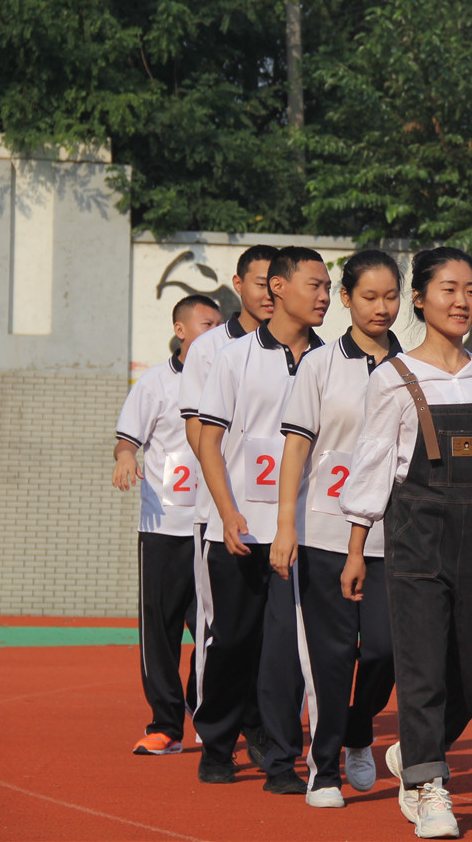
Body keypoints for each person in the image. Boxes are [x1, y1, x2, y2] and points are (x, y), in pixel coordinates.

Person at [341, 246, 472, 839]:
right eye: (448, 289)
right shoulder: (393, 378)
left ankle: (414, 752)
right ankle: (430, 788)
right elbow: (371, 466)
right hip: (415, 532)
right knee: (421, 664)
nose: (461, 301)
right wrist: (354, 547)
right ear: (419, 299)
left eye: (470, 290)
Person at [193, 246, 330, 793]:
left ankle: (280, 756)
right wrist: (228, 514)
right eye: (314, 285)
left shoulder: (329, 360)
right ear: (278, 288)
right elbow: (208, 442)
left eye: (327, 286)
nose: (324, 295)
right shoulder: (235, 356)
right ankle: (218, 742)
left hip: (298, 531)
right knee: (231, 639)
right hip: (238, 527)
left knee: (286, 649)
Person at [272, 250, 404, 808]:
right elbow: (297, 447)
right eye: (369, 297)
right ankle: (324, 769)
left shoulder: (414, 366)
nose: (381, 308)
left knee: (385, 649)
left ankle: (357, 728)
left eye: (391, 297)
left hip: (395, 539)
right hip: (324, 532)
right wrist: (284, 528)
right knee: (330, 654)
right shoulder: (320, 366)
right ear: (346, 298)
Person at [177, 243, 278, 764]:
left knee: (273, 636)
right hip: (223, 512)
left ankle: (260, 728)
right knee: (228, 634)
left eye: (276, 282)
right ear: (238, 285)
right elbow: (200, 432)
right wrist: (230, 498)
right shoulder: (213, 349)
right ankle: (216, 736)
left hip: (284, 521)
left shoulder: (308, 351)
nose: (269, 292)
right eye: (260, 282)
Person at [113, 294, 223, 755]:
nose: (216, 333)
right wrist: (124, 459)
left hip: (212, 527)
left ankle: (207, 708)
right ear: (181, 331)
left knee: (217, 630)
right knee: (158, 631)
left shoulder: (228, 378)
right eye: (206, 324)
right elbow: (127, 439)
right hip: (163, 528)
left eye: (221, 325)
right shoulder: (154, 383)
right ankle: (165, 724)